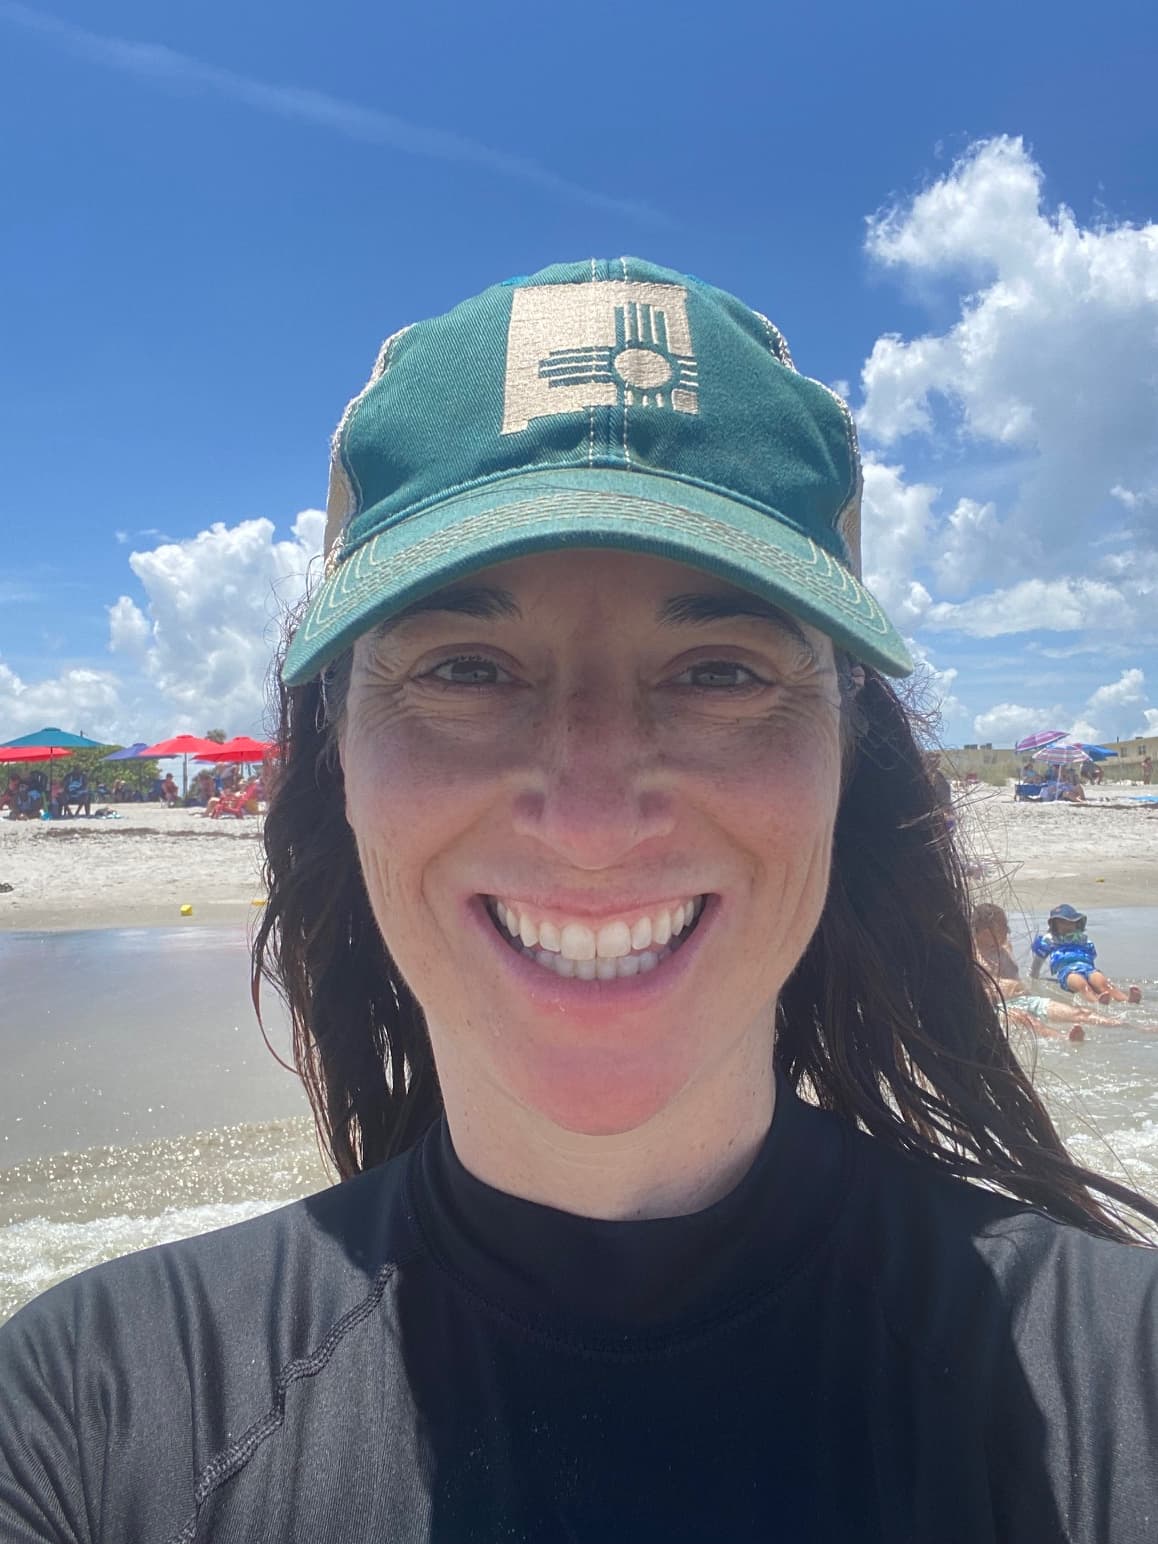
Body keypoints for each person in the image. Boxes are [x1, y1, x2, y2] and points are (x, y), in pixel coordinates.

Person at [3, 258, 1158, 1542]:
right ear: (334, 753)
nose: (597, 823)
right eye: (468, 667)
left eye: (719, 669)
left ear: (848, 752)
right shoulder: (90, 1419)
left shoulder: (1125, 1381)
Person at [970, 902, 1118, 1039]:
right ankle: (1065, 1039)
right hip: (1000, 1007)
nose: (1008, 930)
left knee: (1082, 1013)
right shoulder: (972, 953)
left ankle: (1133, 1027)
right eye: (1002, 927)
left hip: (1027, 1000)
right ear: (985, 930)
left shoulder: (1005, 945)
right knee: (1029, 1022)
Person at [1031, 903, 1143, 1004]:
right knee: (1082, 986)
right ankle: (1096, 1001)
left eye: (1070, 923)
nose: (1067, 926)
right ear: (1054, 925)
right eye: (1062, 923)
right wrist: (1033, 977)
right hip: (1068, 971)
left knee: (1104, 984)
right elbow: (1038, 961)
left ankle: (1127, 999)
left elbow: (1090, 959)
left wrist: (1092, 978)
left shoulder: (1083, 940)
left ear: (1077, 924)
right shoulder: (1049, 940)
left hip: (1088, 969)